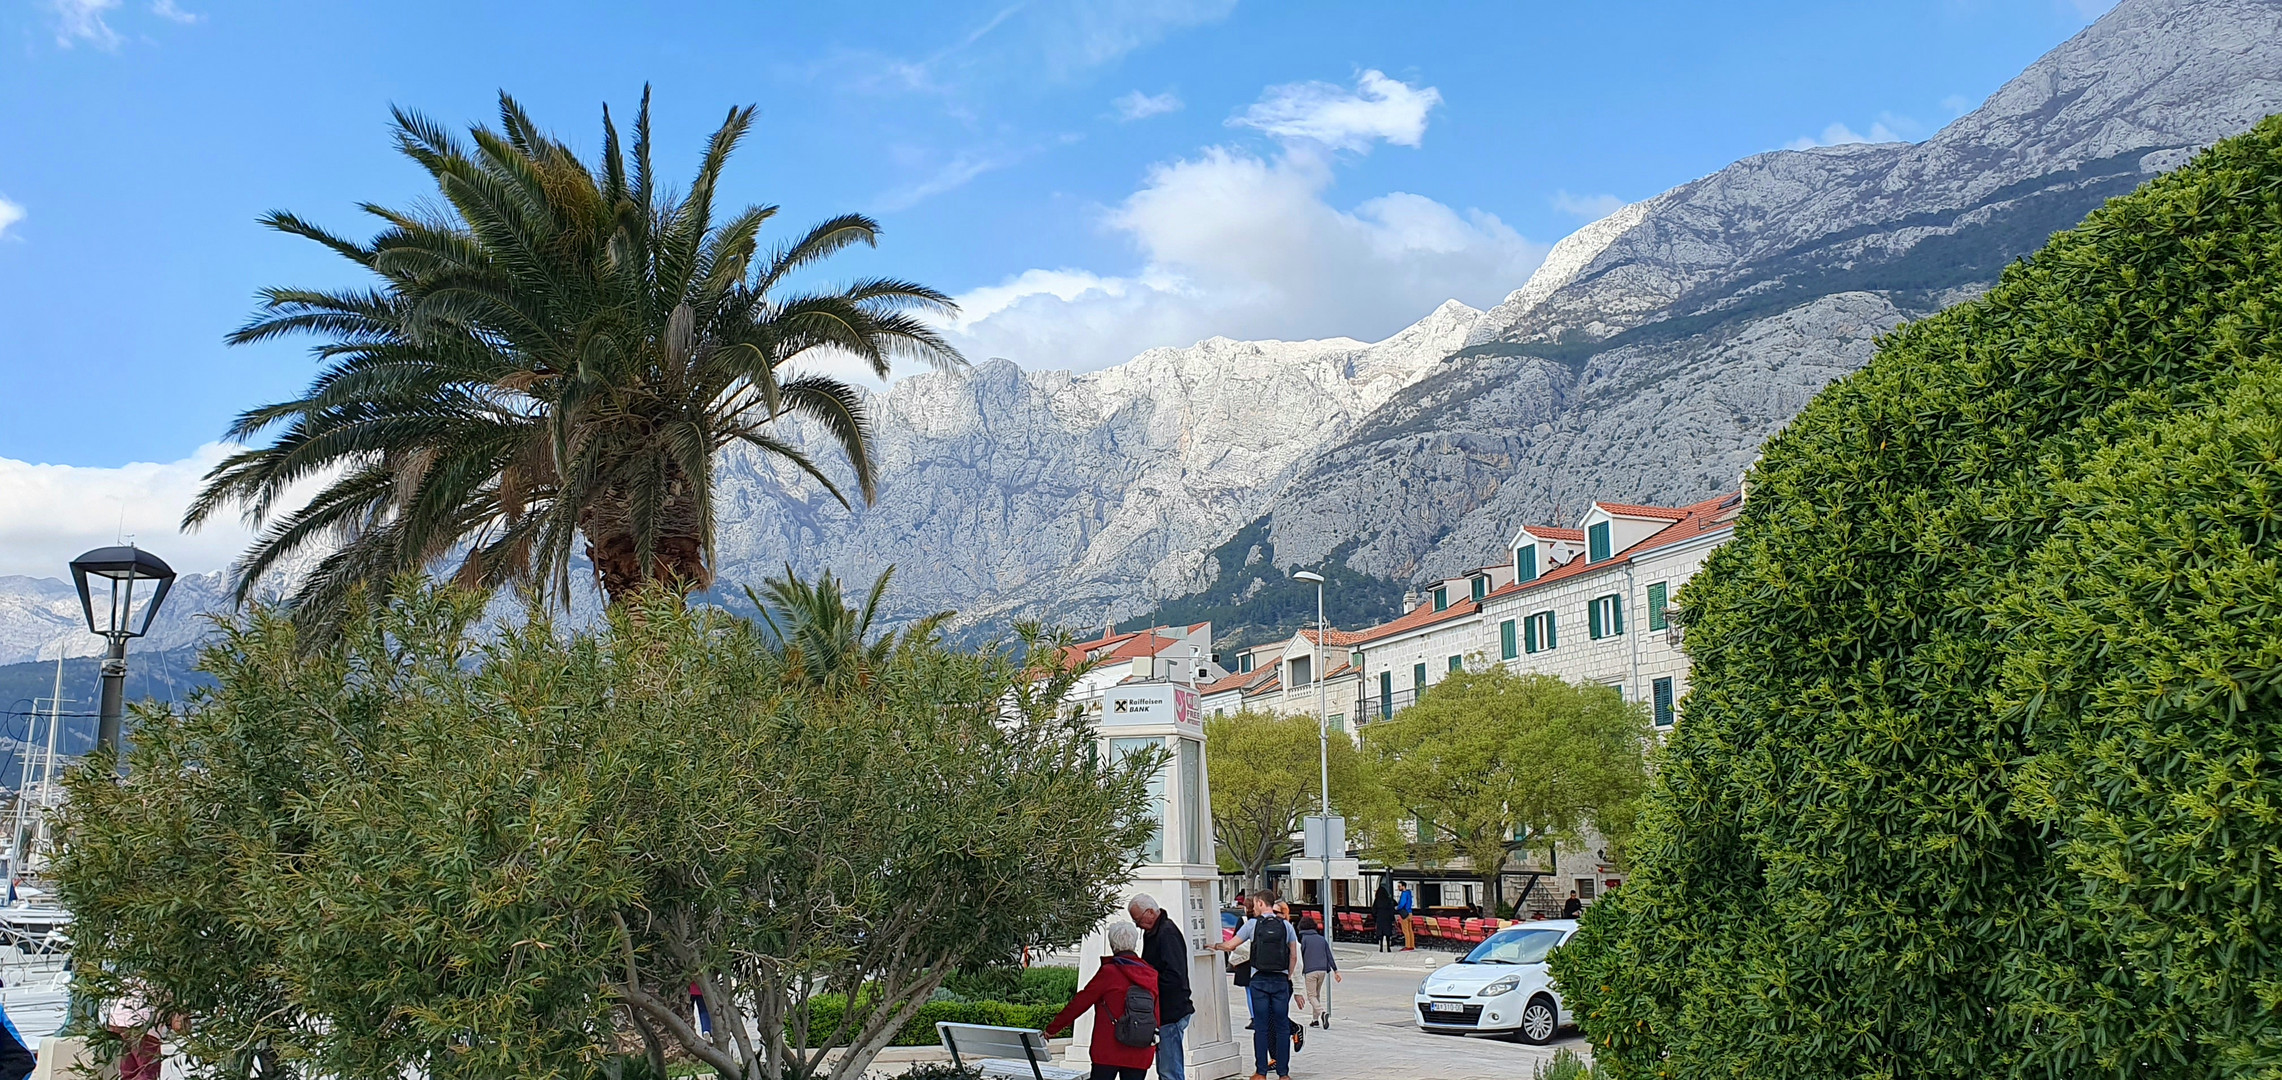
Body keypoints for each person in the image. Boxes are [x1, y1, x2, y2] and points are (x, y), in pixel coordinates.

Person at [1043, 920, 1161, 1080]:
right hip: (1140, 1049)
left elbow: (1080, 1003)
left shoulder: (1109, 973)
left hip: (1107, 1049)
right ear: (1135, 943)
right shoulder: (1150, 974)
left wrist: (1053, 1028)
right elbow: (1157, 1014)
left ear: (1112, 945)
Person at [1212, 892, 1301, 1080]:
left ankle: (1260, 1072)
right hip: (1280, 980)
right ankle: (1283, 1074)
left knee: (1261, 1026)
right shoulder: (1286, 926)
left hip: (1259, 980)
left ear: (1260, 903)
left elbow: (1231, 946)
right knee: (1282, 1026)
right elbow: (1294, 955)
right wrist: (1288, 975)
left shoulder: (1252, 924)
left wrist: (1214, 946)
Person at [1129, 894, 1194, 1080]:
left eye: (1138, 920)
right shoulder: (1155, 932)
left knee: (1169, 1070)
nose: (1138, 926)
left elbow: (1175, 975)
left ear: (1150, 913)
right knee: (1166, 1067)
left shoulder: (1167, 933)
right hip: (1164, 1009)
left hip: (1171, 1010)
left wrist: (1149, 987)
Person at [1297, 913, 1340, 1030]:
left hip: (1310, 971)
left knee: (1311, 996)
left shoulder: (1304, 939)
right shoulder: (1322, 939)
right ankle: (1315, 1020)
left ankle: (1322, 1013)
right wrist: (1335, 970)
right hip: (1322, 971)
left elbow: (1300, 956)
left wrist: (1298, 971)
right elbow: (1329, 955)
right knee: (1316, 995)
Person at [1371, 879, 1397, 953]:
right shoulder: (1388, 900)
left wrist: (1376, 916)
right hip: (1387, 918)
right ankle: (1388, 947)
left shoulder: (1377, 900)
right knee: (1388, 933)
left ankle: (1381, 947)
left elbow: (1373, 909)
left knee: (1381, 933)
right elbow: (1393, 906)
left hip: (1380, 918)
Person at [1396, 882, 1417, 951]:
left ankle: (1407, 945)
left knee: (1405, 930)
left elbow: (1402, 903)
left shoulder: (1404, 894)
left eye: (1399, 886)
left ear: (1403, 886)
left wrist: (1397, 907)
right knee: (1410, 929)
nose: (1398, 887)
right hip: (1410, 912)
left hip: (1404, 913)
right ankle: (1412, 945)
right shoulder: (1409, 893)